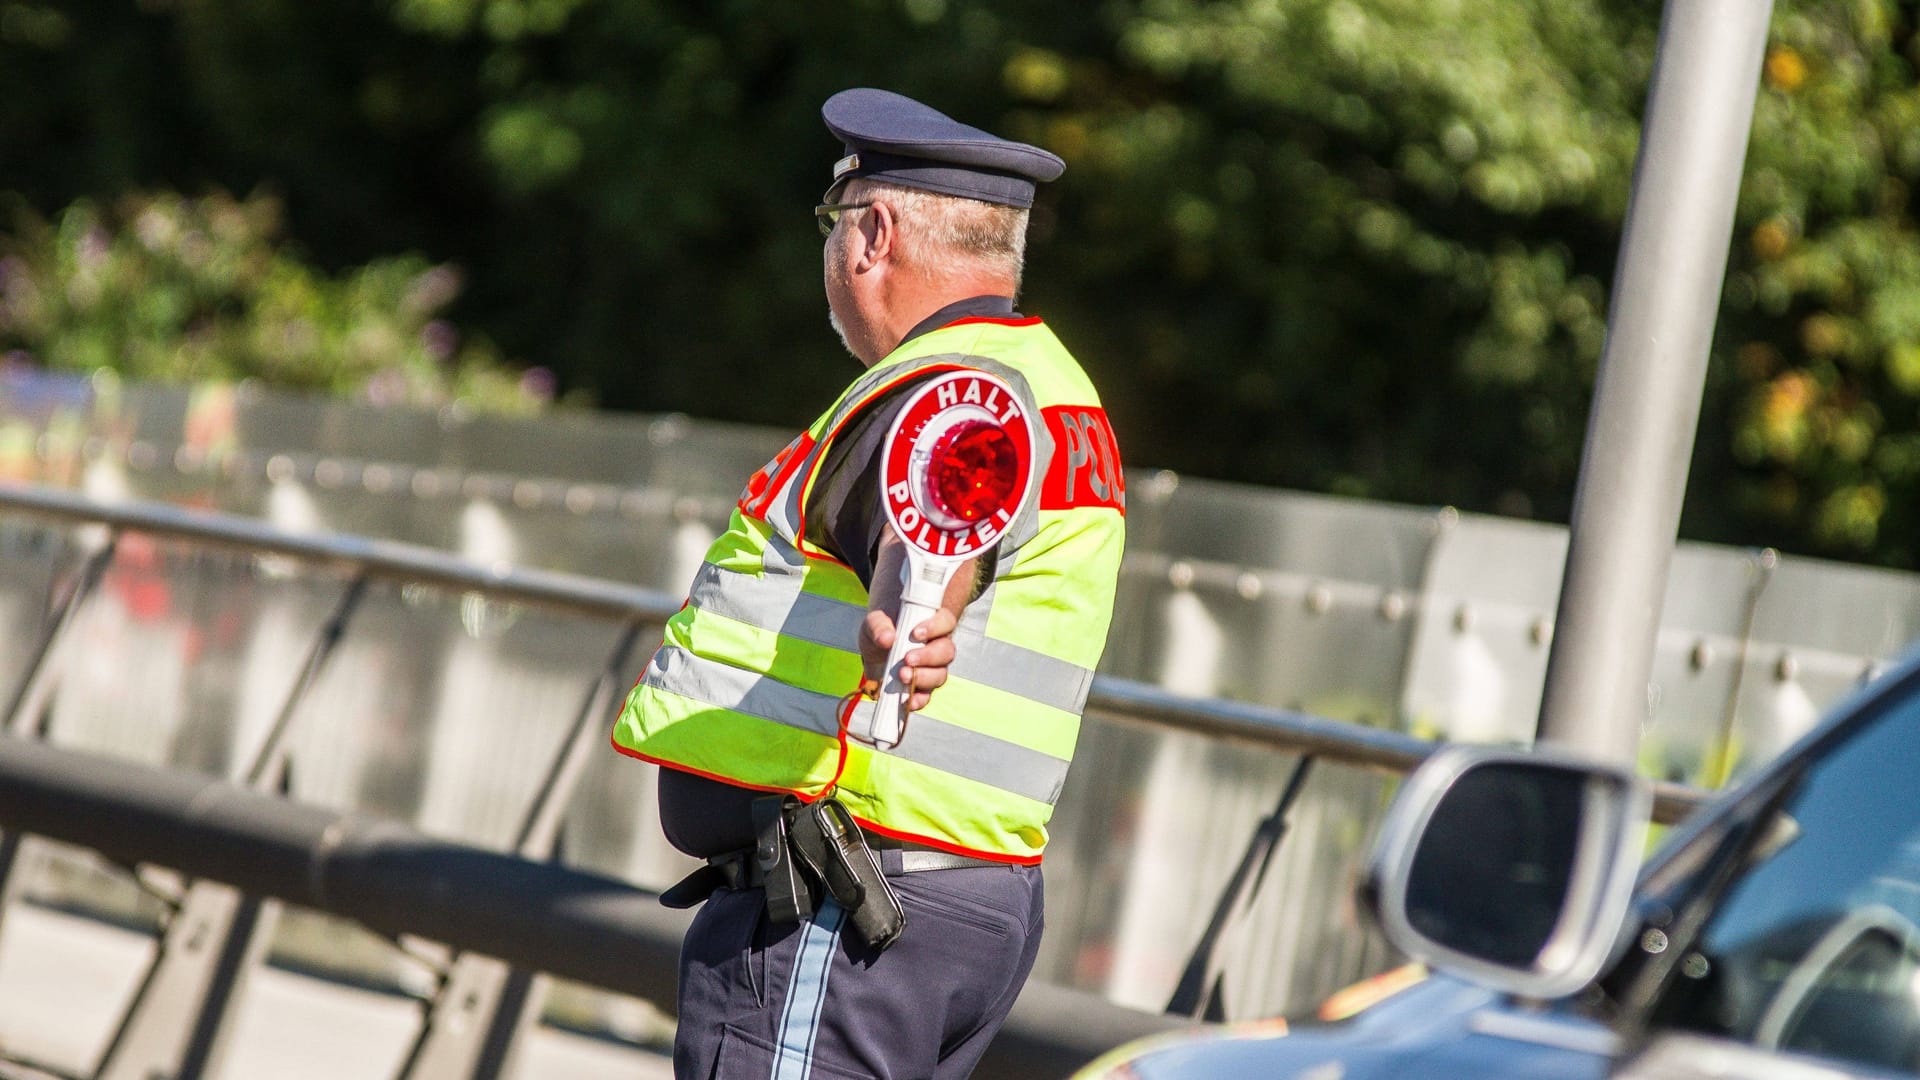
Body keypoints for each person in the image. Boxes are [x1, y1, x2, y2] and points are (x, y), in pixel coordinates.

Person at [611, 87, 1127, 1079]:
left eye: (831, 223)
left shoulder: (945, 395)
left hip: (844, 903)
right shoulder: (1055, 391)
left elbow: (930, 523)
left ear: (873, 233)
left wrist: (912, 612)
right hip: (952, 898)